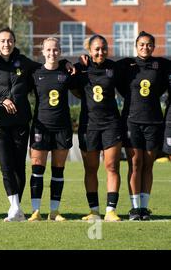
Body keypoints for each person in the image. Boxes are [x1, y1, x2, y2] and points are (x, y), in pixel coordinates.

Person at [0, 27, 41, 222]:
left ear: (14, 42)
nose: (6, 44)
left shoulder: (23, 62)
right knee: (5, 166)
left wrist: (65, 63)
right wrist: (1, 101)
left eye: (10, 40)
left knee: (18, 166)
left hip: (21, 122)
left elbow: (44, 68)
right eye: (3, 41)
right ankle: (15, 208)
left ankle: (15, 208)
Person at [117, 31, 168, 221]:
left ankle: (144, 209)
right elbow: (117, 83)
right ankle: (134, 208)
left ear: (153, 47)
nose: (145, 47)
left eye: (149, 45)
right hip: (131, 120)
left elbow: (162, 87)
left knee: (148, 165)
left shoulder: (161, 65)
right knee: (135, 163)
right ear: (136, 46)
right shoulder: (126, 64)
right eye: (141, 44)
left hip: (154, 121)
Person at [28, 37, 77, 222]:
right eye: (48, 50)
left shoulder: (67, 72)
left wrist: (67, 63)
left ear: (60, 51)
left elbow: (82, 79)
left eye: (55, 50)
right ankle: (35, 211)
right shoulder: (35, 73)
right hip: (41, 127)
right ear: (43, 52)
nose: (52, 53)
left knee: (58, 171)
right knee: (37, 170)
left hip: (62, 128)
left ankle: (54, 212)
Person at [74, 35, 123, 222]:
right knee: (91, 169)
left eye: (104, 48)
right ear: (89, 50)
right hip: (89, 125)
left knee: (112, 166)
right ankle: (94, 211)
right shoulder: (81, 68)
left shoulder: (114, 67)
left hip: (111, 123)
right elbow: (72, 86)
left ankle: (111, 210)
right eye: (96, 49)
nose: (100, 52)